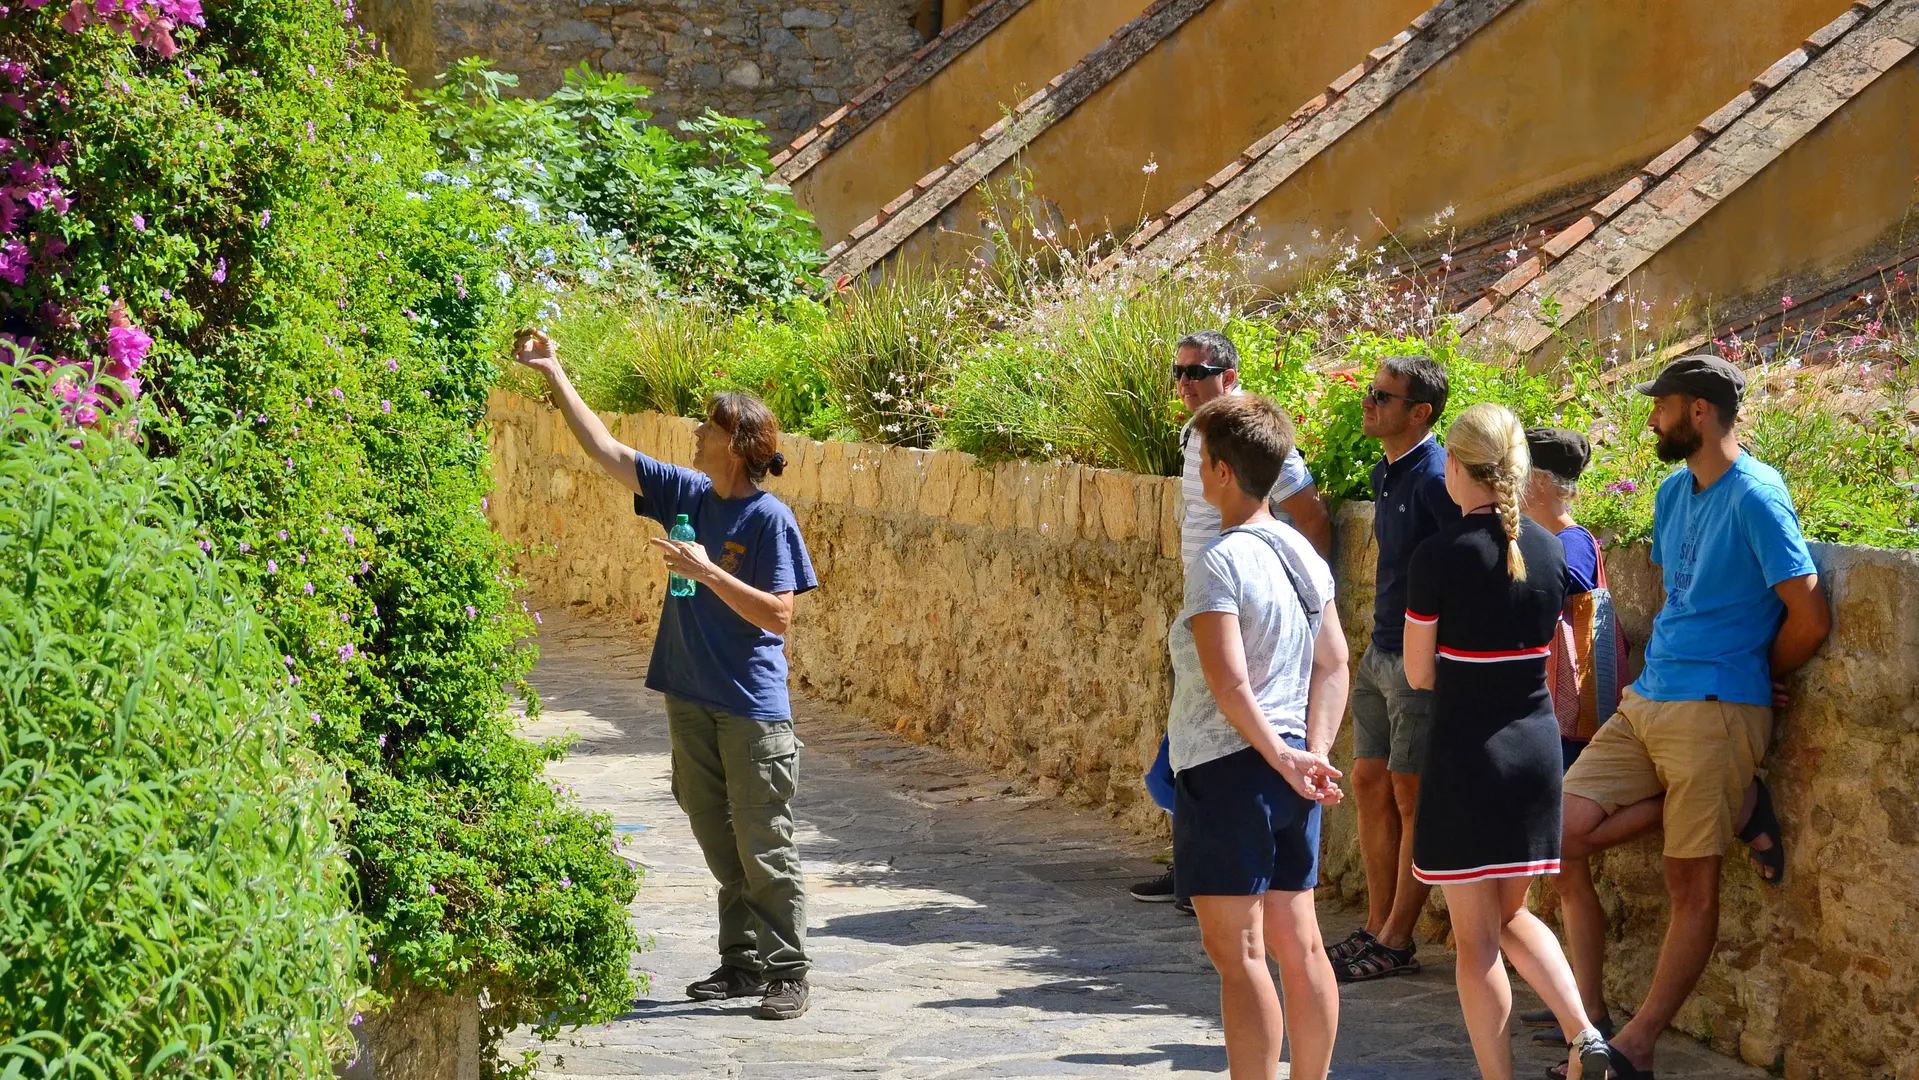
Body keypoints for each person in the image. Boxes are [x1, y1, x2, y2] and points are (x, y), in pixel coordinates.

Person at [513, 329, 820, 1022]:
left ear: (738, 445)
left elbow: (778, 616)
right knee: (717, 835)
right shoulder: (686, 492)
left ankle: (787, 972)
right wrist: (553, 370)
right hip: (689, 696)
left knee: (763, 839)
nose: (692, 435)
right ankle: (741, 964)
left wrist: (706, 571)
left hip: (748, 705)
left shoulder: (768, 519)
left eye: (705, 428)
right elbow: (606, 450)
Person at [1555, 355, 1829, 1080]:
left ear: (1699, 412)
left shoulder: (1757, 497)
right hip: (1648, 698)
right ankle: (1737, 806)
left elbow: (1808, 613)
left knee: (1688, 884)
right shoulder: (1675, 491)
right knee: (1559, 832)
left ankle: (1634, 1047)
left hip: (1716, 707)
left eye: (1662, 405)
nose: (1651, 418)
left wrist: (1756, 671)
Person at [1400, 403, 1615, 1080]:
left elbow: (1416, 671)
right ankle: (1585, 1036)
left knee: (1476, 942)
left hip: (1467, 755)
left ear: (1454, 467)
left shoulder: (1436, 555)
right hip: (1534, 754)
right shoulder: (1553, 550)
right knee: (1513, 913)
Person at [1169, 392, 1348, 1080]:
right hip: (1291, 771)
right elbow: (1332, 662)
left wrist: (1277, 753)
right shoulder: (1303, 556)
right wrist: (1312, 755)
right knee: (1298, 944)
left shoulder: (1217, 562)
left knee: (1239, 955)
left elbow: (1228, 682)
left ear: (1218, 471)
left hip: (1226, 769)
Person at [1132, 329, 1333, 911]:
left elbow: (1310, 516)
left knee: (1218, 727)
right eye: (1179, 371)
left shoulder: (1249, 437)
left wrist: (1312, 593)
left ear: (1229, 375)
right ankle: (1191, 864)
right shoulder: (1196, 435)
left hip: (1240, 594)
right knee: (1188, 732)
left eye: (1198, 372)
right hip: (1207, 592)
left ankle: (1215, 879)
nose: (1185, 383)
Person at [1328, 353, 1461, 982]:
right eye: (1371, 393)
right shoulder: (1388, 474)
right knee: (1366, 780)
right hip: (1380, 650)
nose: (1368, 403)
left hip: (1416, 661)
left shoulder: (1436, 478)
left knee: (1413, 795)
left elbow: (1465, 568)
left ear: (1419, 413)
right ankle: (1378, 925)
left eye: (1382, 397)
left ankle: (1399, 937)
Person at [1519, 427, 1619, 770]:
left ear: (1543, 481)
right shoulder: (1547, 540)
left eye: (1516, 470)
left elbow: (1543, 596)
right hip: (1546, 713)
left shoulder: (1573, 542)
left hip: (1565, 718)